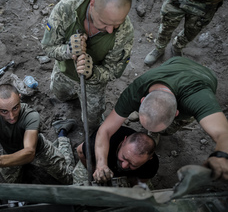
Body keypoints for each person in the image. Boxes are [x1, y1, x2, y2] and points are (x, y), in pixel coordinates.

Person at [92, 56, 228, 183]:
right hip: (176, 63)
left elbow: (223, 133)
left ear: (176, 114)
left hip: (203, 77)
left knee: (169, 130)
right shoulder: (136, 90)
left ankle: (160, 131)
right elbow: (105, 130)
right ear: (142, 100)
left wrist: (221, 155)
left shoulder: (198, 98)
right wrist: (101, 163)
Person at [41, 0, 134, 131]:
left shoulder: (125, 32)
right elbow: (47, 47)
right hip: (64, 72)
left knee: (91, 122)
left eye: (116, 24)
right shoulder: (66, 9)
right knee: (60, 95)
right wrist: (68, 50)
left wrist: (92, 73)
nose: (110, 30)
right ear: (92, 4)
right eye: (104, 23)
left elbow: (114, 71)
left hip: (93, 85)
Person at [0, 83, 76, 184]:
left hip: (39, 151)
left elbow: (29, 152)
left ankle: (62, 135)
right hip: (10, 153)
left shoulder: (31, 115)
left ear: (20, 97)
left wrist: (1, 161)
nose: (11, 116)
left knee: (69, 178)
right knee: (7, 190)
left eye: (15, 108)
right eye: (4, 111)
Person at [144, 0, 228, 66]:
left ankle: (177, 47)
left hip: (207, 4)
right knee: (166, 27)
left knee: (191, 32)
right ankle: (159, 49)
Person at [76, 126, 158, 187]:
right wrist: (96, 170)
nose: (124, 166)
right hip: (98, 162)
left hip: (128, 175)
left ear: (149, 159)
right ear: (124, 141)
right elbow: (80, 151)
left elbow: (139, 182)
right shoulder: (95, 146)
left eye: (133, 164)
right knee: (79, 187)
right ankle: (63, 137)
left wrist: (132, 190)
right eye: (124, 157)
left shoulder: (151, 165)